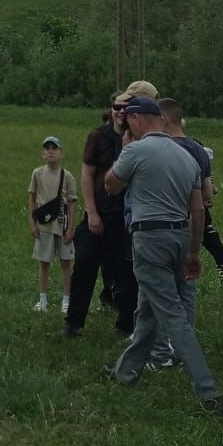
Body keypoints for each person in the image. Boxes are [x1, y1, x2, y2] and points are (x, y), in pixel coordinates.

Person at [102, 96, 223, 413]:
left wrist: (126, 149)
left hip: (150, 237)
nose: (126, 124)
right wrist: (194, 252)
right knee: (146, 311)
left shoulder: (137, 151)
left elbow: (110, 185)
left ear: (139, 120)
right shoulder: (187, 156)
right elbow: (198, 209)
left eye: (128, 119)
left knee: (173, 316)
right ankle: (125, 372)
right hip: (181, 235)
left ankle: (208, 391)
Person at [65, 91, 137, 339]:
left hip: (126, 217)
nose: (120, 113)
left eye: (126, 109)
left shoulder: (138, 140)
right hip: (99, 214)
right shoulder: (98, 136)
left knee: (127, 272)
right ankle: (73, 323)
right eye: (117, 107)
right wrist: (92, 212)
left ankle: (125, 325)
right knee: (84, 265)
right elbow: (86, 174)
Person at [158, 98, 223, 278]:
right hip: (195, 217)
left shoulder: (160, 148)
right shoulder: (199, 150)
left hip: (165, 220)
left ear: (163, 120)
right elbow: (208, 193)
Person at [28, 135, 77, 316]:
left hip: (62, 225)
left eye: (54, 148)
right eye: (47, 148)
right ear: (43, 153)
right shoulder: (37, 174)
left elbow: (72, 203)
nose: (50, 151)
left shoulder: (67, 176)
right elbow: (32, 198)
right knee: (44, 262)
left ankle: (66, 300)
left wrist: (71, 227)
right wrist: (32, 223)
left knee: (66, 262)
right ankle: (42, 299)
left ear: (61, 153)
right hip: (44, 226)